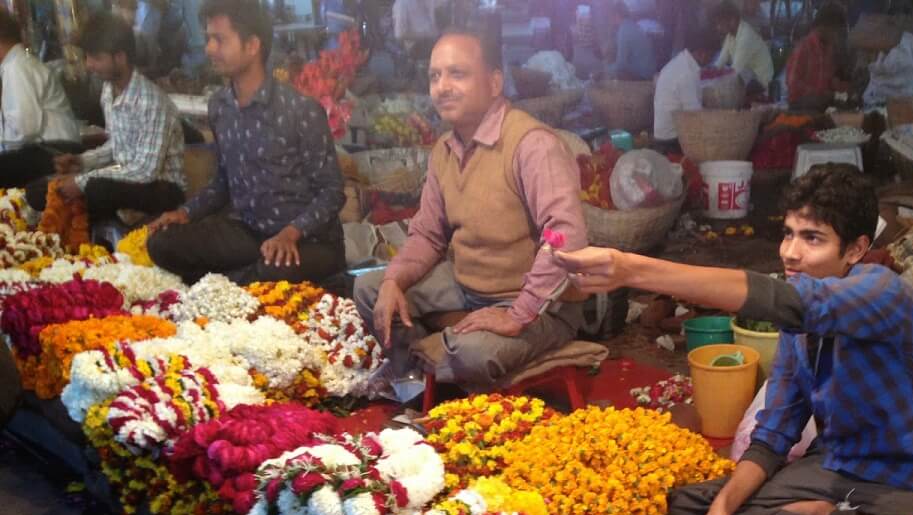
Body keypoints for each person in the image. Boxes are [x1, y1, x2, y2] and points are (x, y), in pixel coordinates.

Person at [555, 164, 913, 515]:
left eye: (813, 238)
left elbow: (787, 302)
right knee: (687, 511)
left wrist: (631, 269)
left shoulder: (881, 291)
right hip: (834, 470)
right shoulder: (797, 327)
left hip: (910, 485)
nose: (790, 251)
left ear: (856, 250)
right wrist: (722, 507)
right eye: (788, 233)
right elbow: (774, 436)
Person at [351, 28, 586, 395]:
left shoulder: (532, 145)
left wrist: (517, 314)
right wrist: (394, 281)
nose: (442, 86)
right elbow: (427, 236)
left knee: (473, 353)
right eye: (435, 76)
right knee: (371, 289)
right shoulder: (445, 149)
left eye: (457, 74)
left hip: (537, 304)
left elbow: (564, 237)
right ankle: (422, 371)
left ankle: (435, 358)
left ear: (494, 83)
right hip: (466, 286)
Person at [145, 0, 346, 286]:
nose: (209, 49)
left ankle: (230, 281)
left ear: (252, 45)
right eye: (208, 39)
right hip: (249, 233)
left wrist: (291, 233)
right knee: (161, 243)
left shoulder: (299, 109)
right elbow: (222, 184)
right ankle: (237, 279)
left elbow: (332, 192)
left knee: (273, 271)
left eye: (219, 40)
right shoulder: (220, 107)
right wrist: (184, 213)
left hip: (309, 242)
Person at [24, 13, 185, 223]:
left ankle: (99, 241)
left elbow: (145, 171)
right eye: (88, 57)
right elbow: (117, 146)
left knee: (96, 189)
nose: (89, 65)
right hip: (127, 176)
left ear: (120, 57)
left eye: (96, 58)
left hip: (162, 187)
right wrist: (82, 161)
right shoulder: (109, 91)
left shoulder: (152, 102)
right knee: (37, 191)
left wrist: (81, 181)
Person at [0, 8, 81, 188]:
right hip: (47, 150)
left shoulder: (17, 68)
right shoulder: (14, 66)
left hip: (55, 151)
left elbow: (26, 129)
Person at [653, 23, 721, 151]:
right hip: (671, 141)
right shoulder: (686, 74)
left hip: (664, 134)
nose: (711, 60)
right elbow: (695, 116)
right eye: (711, 56)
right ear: (702, 53)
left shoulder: (681, 61)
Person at [784, 4, 848, 110]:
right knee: (818, 102)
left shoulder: (830, 49)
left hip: (821, 101)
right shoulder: (804, 47)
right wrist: (820, 93)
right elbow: (793, 84)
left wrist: (837, 86)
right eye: (837, 31)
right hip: (800, 103)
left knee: (844, 104)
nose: (837, 36)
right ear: (826, 27)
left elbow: (827, 80)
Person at [711, 0, 773, 91]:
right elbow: (720, 62)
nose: (718, 27)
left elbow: (734, 72)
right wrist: (709, 72)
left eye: (720, 23)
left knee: (727, 84)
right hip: (748, 75)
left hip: (761, 82)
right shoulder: (730, 36)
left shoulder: (746, 37)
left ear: (732, 20)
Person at [606, 2, 655, 80]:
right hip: (650, 71)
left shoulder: (623, 31)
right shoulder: (632, 25)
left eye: (610, 16)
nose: (610, 19)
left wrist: (605, 70)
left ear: (616, 15)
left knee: (617, 73)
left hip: (643, 75)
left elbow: (621, 64)